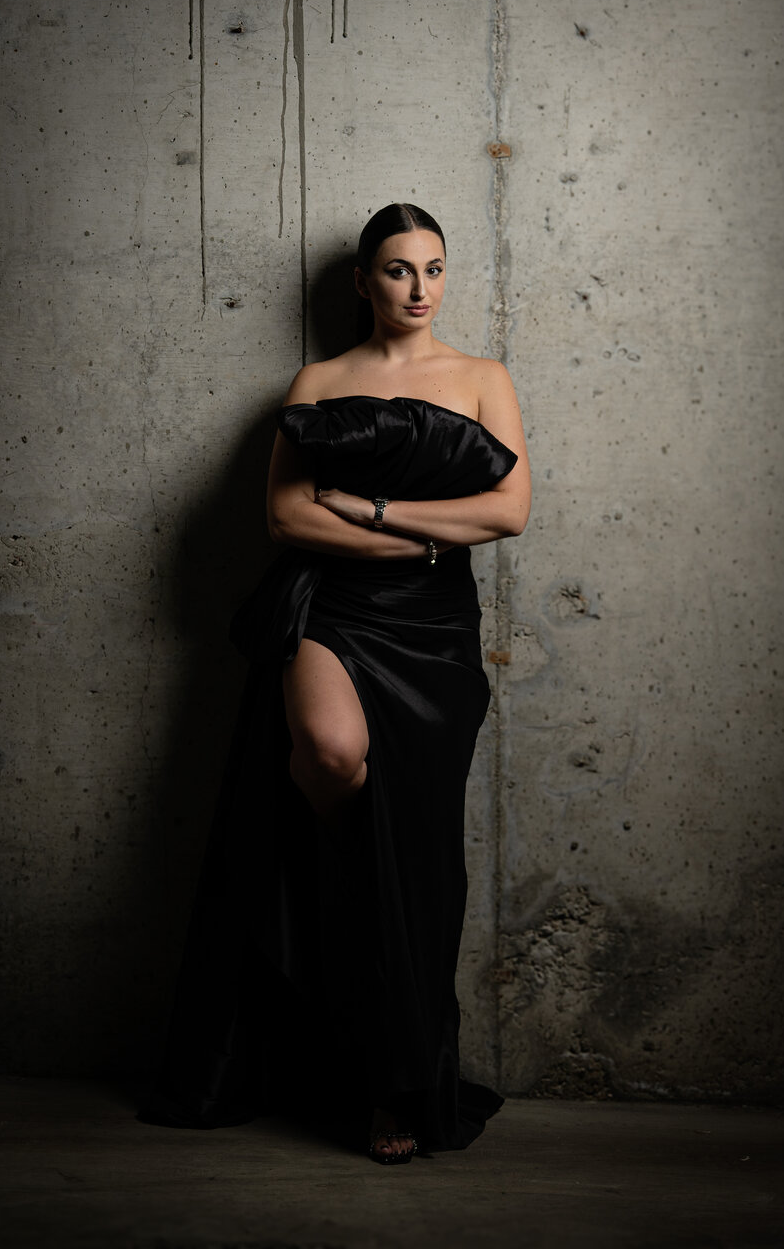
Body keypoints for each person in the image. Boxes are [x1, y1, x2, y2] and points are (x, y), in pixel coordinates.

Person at [142, 203, 531, 1165]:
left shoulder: (484, 378)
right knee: (328, 753)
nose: (418, 288)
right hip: (332, 607)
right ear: (362, 282)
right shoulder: (319, 381)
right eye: (397, 270)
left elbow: (509, 512)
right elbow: (287, 522)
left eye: (433, 268)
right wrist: (426, 531)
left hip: (435, 631)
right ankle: (346, 878)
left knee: (411, 848)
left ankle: (389, 1085)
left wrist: (370, 507)